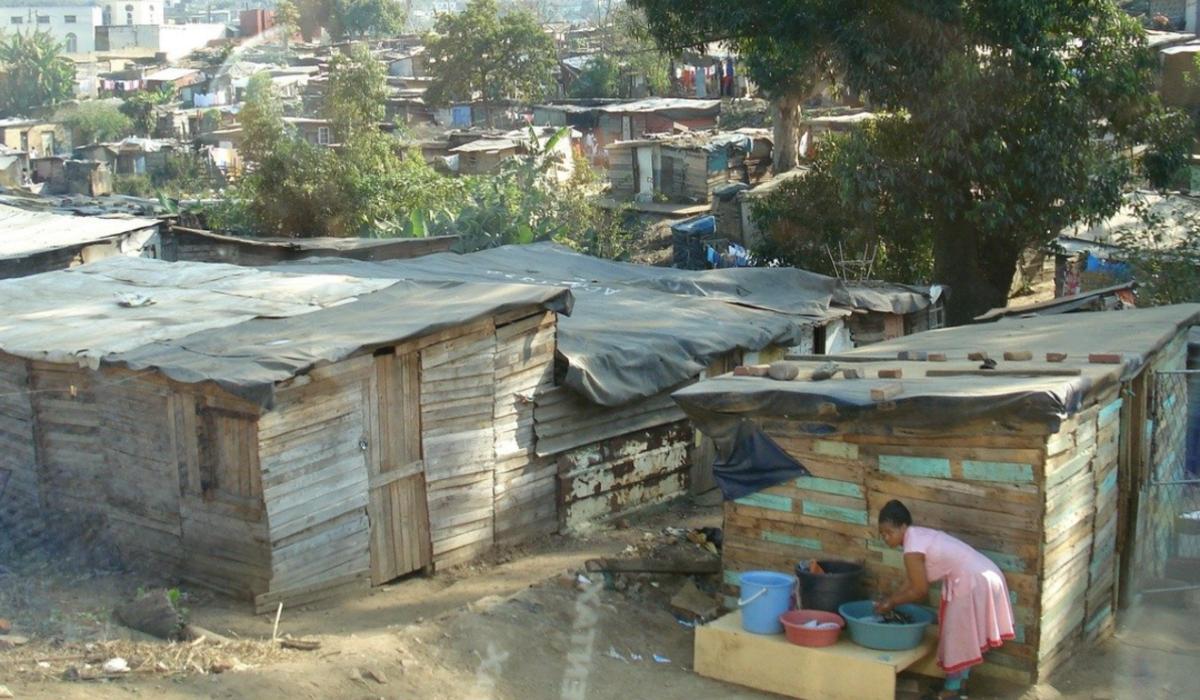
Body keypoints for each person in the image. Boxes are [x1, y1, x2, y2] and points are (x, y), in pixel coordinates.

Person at [875, 500, 1015, 700]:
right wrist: (892, 597)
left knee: (956, 638)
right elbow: (912, 581)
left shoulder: (912, 548)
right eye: (882, 534)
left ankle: (951, 691)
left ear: (904, 527)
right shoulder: (917, 537)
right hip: (984, 573)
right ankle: (960, 685)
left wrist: (891, 603)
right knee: (964, 636)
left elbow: (919, 590)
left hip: (972, 581)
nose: (885, 538)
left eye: (889, 532)